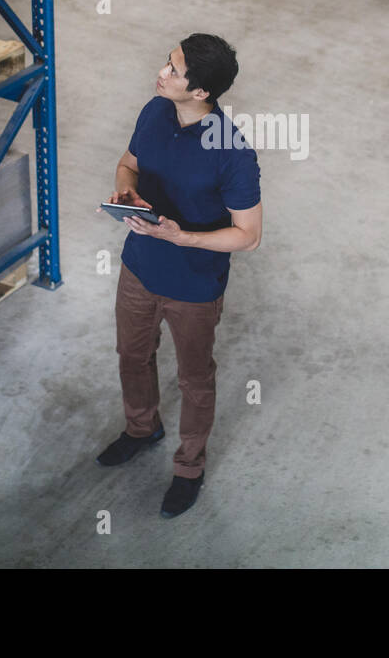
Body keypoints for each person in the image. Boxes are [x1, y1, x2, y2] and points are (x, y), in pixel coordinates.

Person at [96, 34, 262, 519]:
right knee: (132, 354)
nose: (162, 73)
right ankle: (142, 429)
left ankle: (189, 468)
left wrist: (184, 238)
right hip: (139, 266)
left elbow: (248, 235)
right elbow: (129, 164)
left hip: (193, 284)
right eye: (167, 62)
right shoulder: (154, 111)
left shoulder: (231, 151)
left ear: (201, 93)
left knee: (194, 379)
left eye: (174, 70)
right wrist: (127, 194)